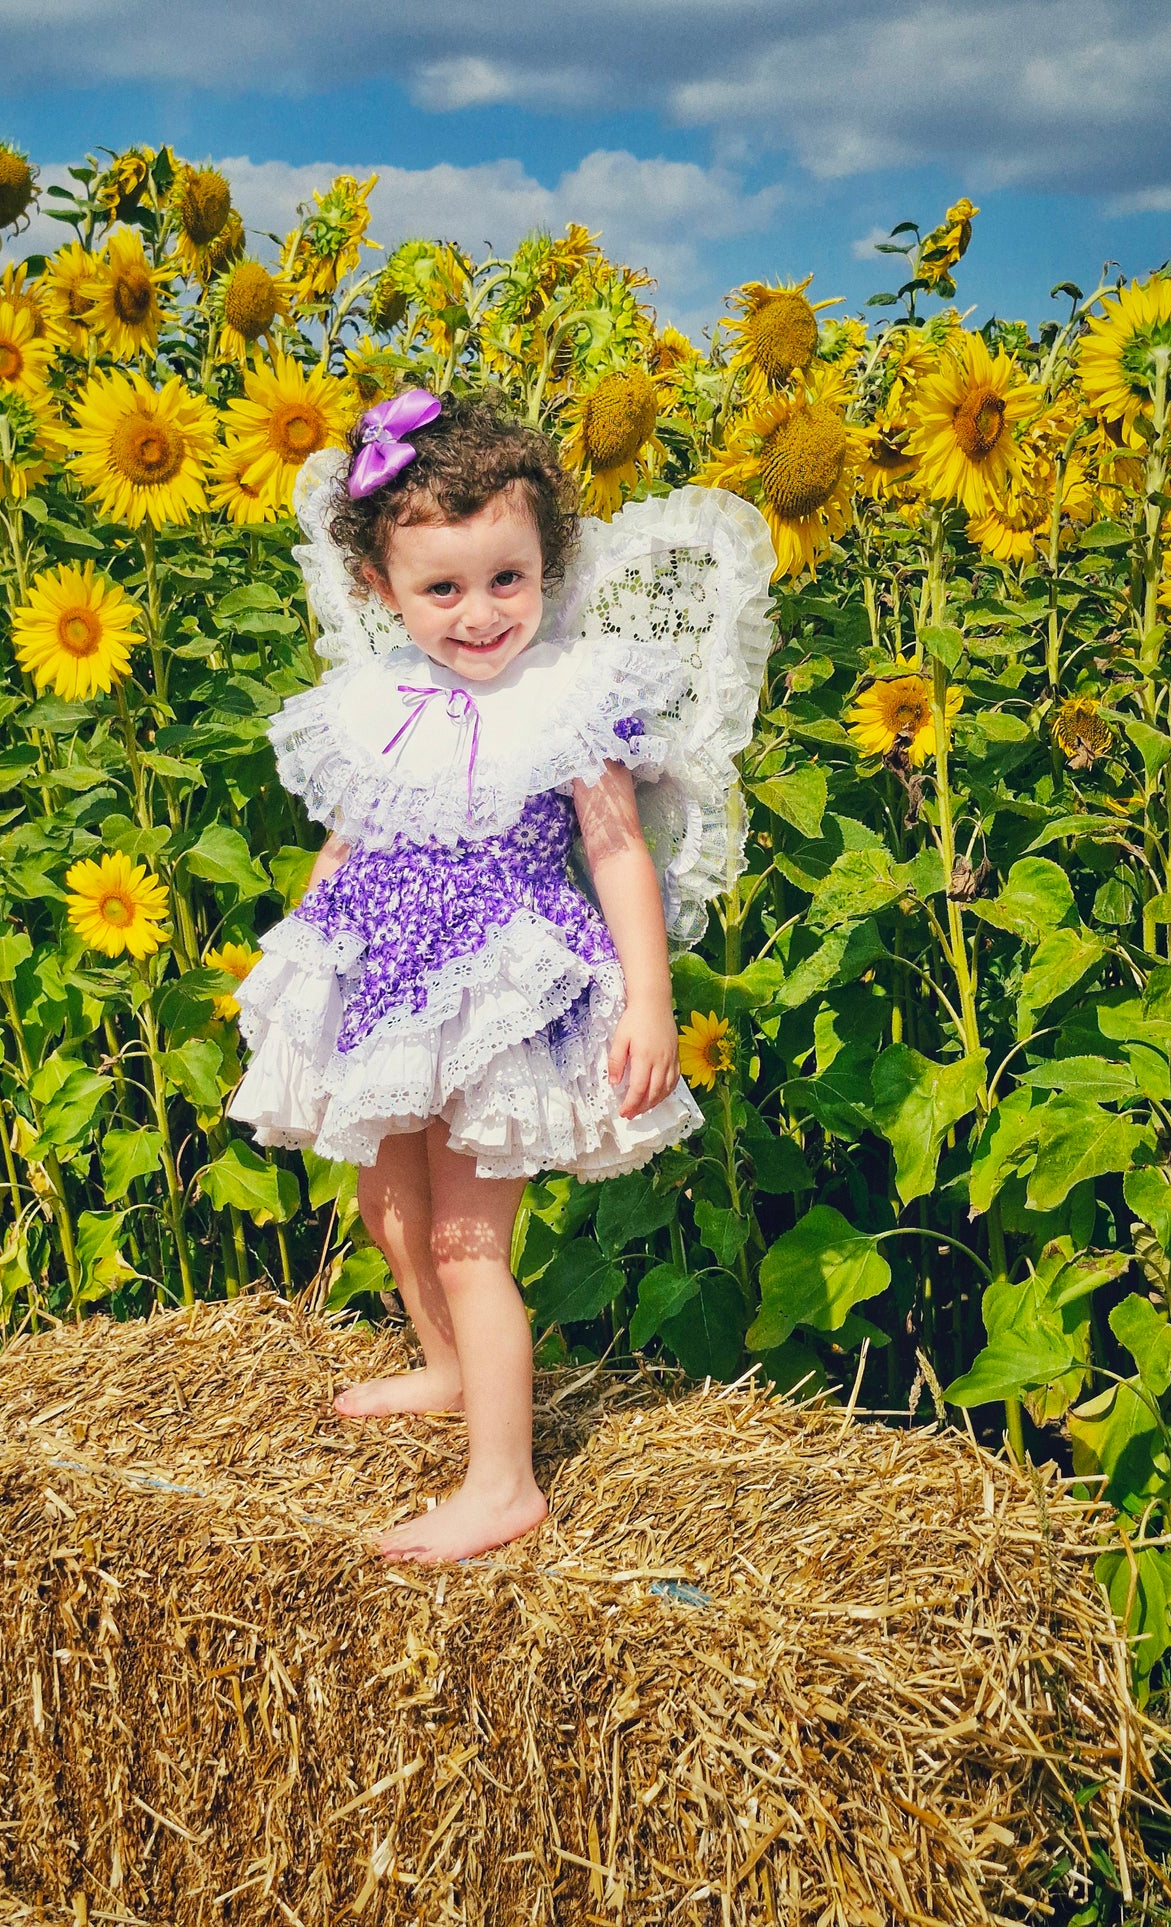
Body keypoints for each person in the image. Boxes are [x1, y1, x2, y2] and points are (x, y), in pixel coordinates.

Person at [230, 388, 775, 1563]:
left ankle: (502, 1482)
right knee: (387, 1201)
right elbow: (354, 824)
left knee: (472, 1238)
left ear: (546, 564)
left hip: (500, 989)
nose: (478, 615)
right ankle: (439, 1364)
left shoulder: (568, 697)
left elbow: (615, 850)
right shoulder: (372, 698)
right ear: (382, 588)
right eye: (441, 589)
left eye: (505, 580)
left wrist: (648, 997)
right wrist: (304, 941)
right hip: (381, 977)